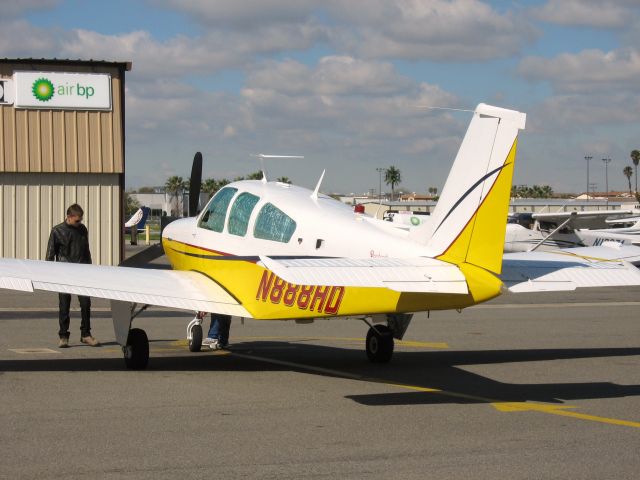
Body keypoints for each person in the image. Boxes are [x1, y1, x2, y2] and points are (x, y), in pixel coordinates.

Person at [46, 204, 100, 348]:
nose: (79, 223)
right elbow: (50, 255)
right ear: (69, 217)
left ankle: (86, 335)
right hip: (64, 273)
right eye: (77, 220)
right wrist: (49, 276)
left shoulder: (82, 230)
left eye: (81, 220)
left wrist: (90, 269)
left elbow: (86, 250)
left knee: (86, 304)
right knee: (64, 306)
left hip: (82, 272)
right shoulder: (57, 231)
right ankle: (63, 336)